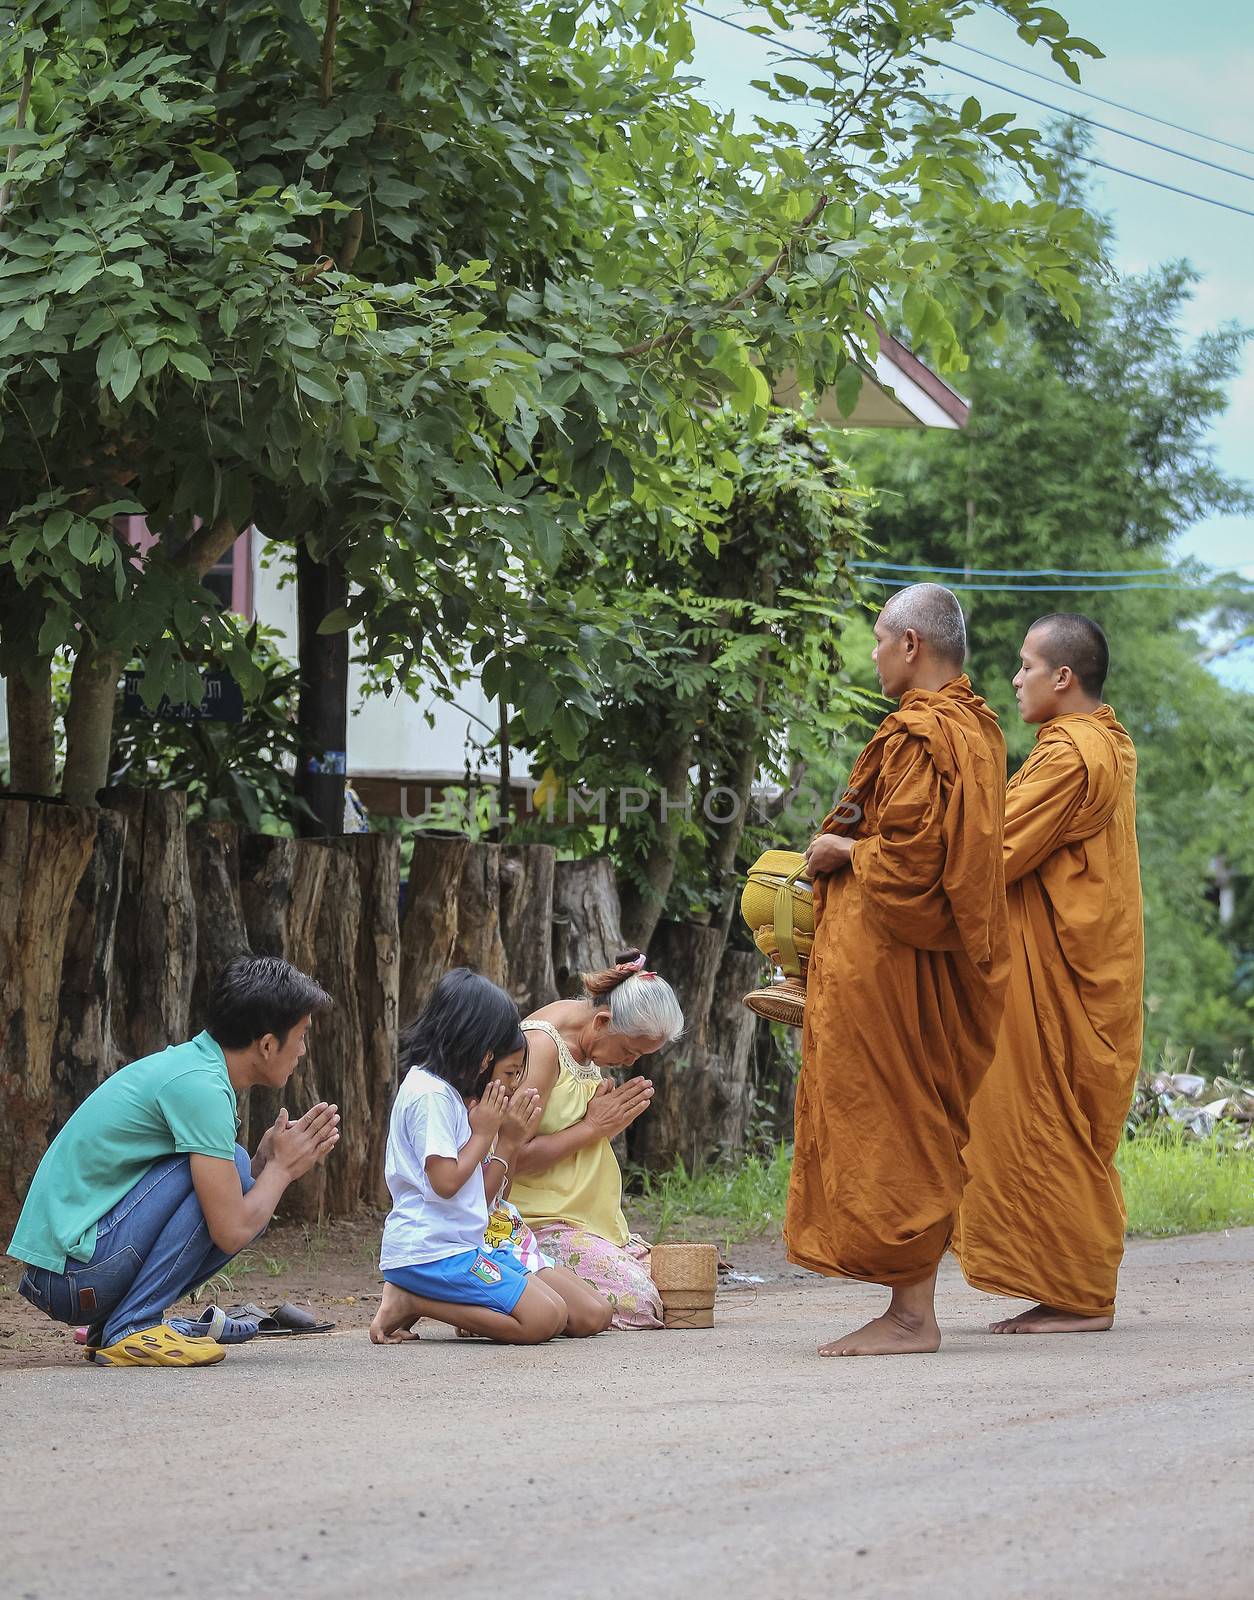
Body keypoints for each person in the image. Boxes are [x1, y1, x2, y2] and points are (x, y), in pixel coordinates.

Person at [786, 583, 1011, 1356]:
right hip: (923, 969)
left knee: (898, 1121)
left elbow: (917, 863)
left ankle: (913, 1316)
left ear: (910, 645)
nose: (874, 655)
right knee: (914, 1121)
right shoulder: (977, 730)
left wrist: (842, 850)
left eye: (880, 641)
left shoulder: (926, 734)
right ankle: (909, 1307)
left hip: (899, 969)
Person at [8, 956, 339, 1367]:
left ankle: (117, 1325)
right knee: (232, 1171)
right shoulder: (201, 1087)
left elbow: (226, 1207)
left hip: (71, 1275)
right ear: (269, 1044)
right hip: (74, 1278)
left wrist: (262, 1164)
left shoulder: (197, 1069)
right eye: (301, 1036)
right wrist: (282, 1170)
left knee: (238, 1171)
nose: (303, 1051)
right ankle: (133, 1326)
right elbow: (231, 1228)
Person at [954, 615, 1143, 1333]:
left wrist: (875, 859)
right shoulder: (1102, 742)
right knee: (1047, 1120)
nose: (1015, 678)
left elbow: (991, 852)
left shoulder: (1071, 757)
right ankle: (1067, 1285)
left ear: (1063, 677)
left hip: (1065, 982)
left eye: (1026, 665)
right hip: (1087, 971)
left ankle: (1080, 1294)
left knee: (1042, 1118)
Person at [369, 969, 612, 1346]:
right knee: (542, 1320)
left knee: (583, 1314)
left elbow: (485, 1202)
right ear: (478, 1049)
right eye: (509, 1070)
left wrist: (509, 1143)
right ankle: (410, 1297)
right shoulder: (429, 1096)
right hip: (431, 1250)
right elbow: (446, 1183)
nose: (513, 1083)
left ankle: (464, 1306)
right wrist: (486, 1134)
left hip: (464, 1245)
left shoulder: (455, 1095)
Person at [507, 952, 685, 1329]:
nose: (629, 1062)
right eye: (630, 1051)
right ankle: (506, 1302)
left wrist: (600, 1125)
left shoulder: (588, 1041)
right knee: (642, 1304)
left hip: (593, 1223)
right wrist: (592, 1128)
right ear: (603, 1021)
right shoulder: (541, 1047)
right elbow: (510, 1158)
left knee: (684, 1284)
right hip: (540, 1223)